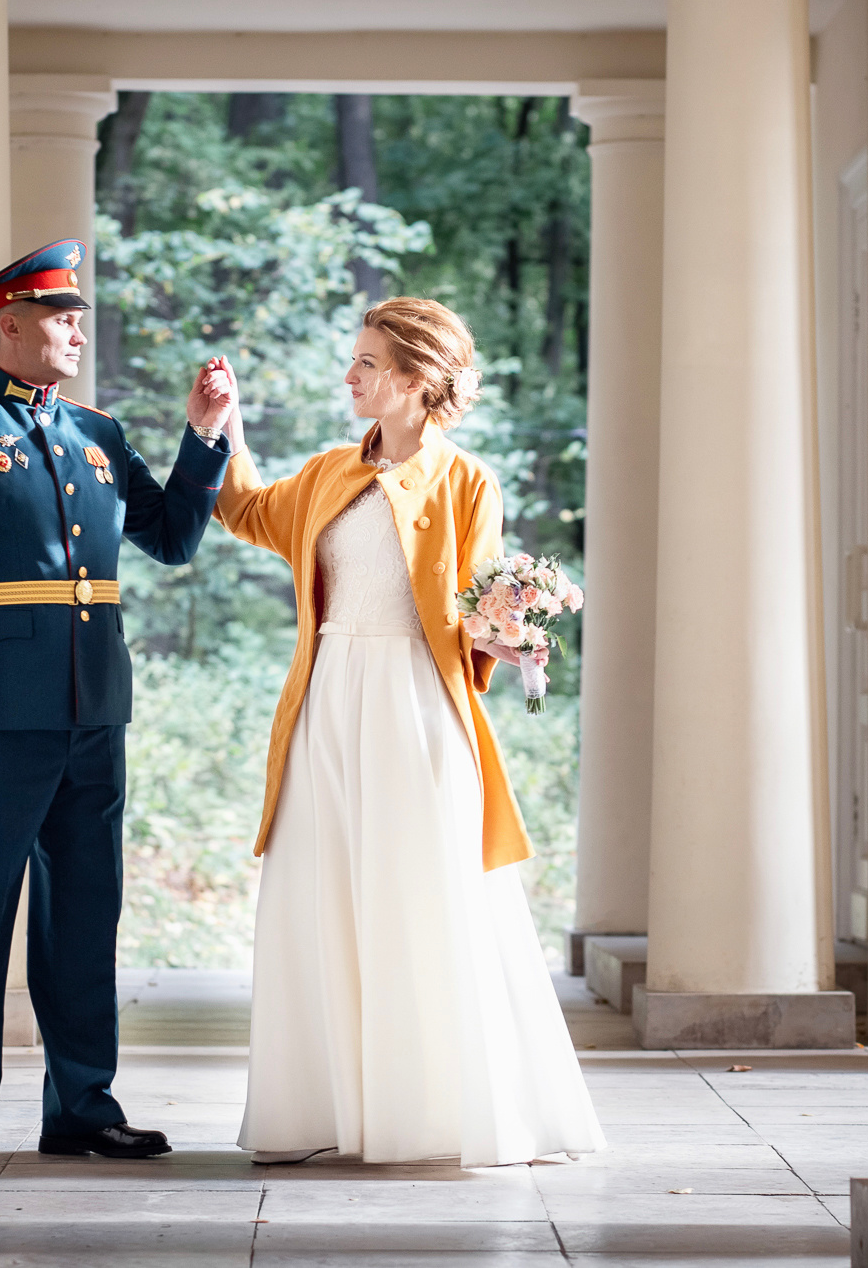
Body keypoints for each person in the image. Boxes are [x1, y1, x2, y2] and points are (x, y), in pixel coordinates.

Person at [210, 297, 604, 1166]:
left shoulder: (467, 482)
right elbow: (243, 510)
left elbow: (475, 609)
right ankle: (321, 1113)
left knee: (419, 897)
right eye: (354, 359)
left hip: (417, 709)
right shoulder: (326, 473)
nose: (348, 375)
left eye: (366, 362)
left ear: (418, 378)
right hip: (325, 705)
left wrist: (510, 634)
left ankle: (426, 1113)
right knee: (319, 892)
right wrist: (223, 427)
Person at [0, 238, 236, 1166]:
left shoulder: (100, 433)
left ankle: (82, 1104)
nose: (79, 331)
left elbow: (170, 538)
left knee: (86, 915)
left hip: (95, 710)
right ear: (8, 326)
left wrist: (203, 436)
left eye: (80, 317)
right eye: (61, 317)